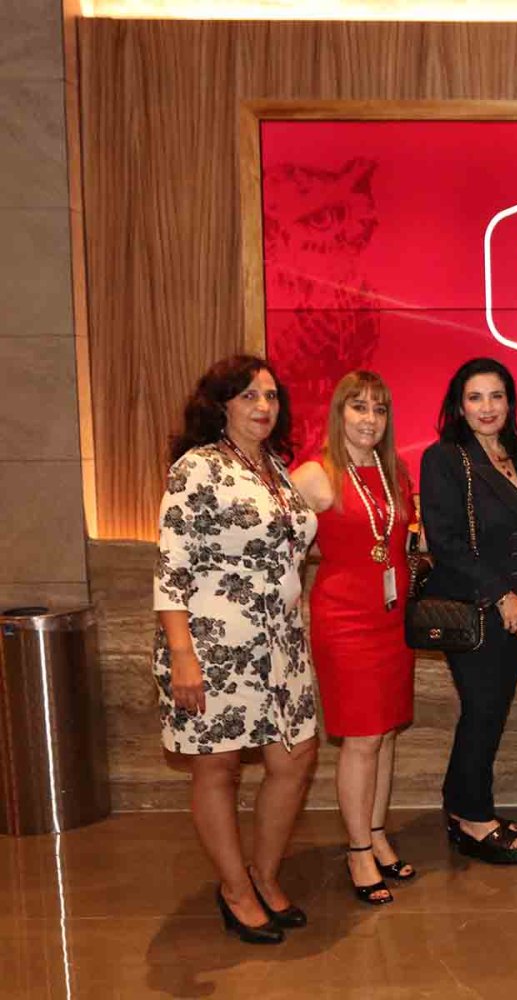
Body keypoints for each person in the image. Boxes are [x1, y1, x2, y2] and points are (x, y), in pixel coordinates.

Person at [154, 354, 318, 944]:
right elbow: (171, 566)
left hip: (281, 644)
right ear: (220, 405)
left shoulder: (275, 467)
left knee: (294, 757)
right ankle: (235, 890)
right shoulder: (198, 467)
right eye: (249, 395)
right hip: (213, 645)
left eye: (271, 395)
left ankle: (264, 876)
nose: (263, 406)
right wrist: (183, 656)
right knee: (217, 767)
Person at [420, 357, 517, 865]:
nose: (487, 407)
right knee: (482, 710)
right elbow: (446, 541)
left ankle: (462, 805)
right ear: (459, 405)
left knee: (491, 711)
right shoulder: (444, 458)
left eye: (496, 396)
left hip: (516, 611)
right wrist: (502, 595)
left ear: (509, 402)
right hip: (477, 607)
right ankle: (473, 816)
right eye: (475, 397)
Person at [291, 371, 416, 905]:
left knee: (386, 734)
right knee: (362, 738)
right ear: (339, 412)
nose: (370, 419)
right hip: (345, 622)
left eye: (379, 409)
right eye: (358, 407)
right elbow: (275, 546)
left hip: (393, 620)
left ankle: (378, 834)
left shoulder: (394, 472)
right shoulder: (314, 475)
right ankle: (358, 849)